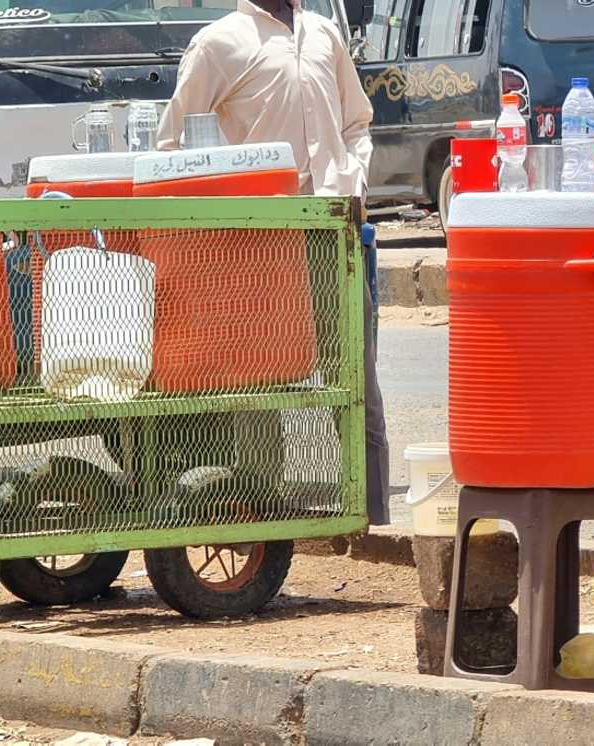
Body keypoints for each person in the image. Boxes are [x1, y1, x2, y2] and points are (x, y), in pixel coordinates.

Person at [158, 0, 390, 524]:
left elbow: (357, 123)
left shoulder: (325, 33)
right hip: (258, 247)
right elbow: (171, 145)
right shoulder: (218, 43)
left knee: (357, 381)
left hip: (333, 232)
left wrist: (353, 181)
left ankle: (370, 519)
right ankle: (266, 522)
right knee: (260, 384)